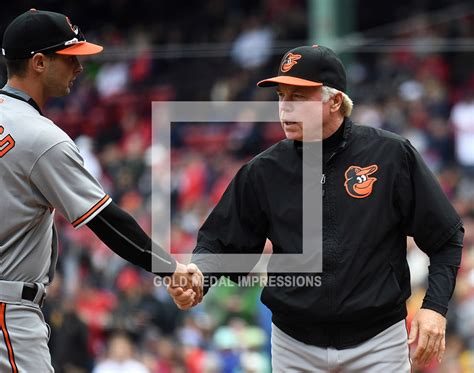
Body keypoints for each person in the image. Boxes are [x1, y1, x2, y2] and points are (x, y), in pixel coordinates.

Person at [168, 45, 464, 372]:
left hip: (378, 342)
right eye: (282, 96)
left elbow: (446, 237)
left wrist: (434, 308)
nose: (284, 109)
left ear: (334, 101)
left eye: (298, 97)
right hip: (295, 347)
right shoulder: (264, 170)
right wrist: (200, 276)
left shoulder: (390, 156)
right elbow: (220, 242)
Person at [0, 9, 201, 372]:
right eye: (70, 58)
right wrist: (170, 269)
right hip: (7, 310)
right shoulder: (41, 138)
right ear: (40, 62)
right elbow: (107, 221)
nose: (79, 68)